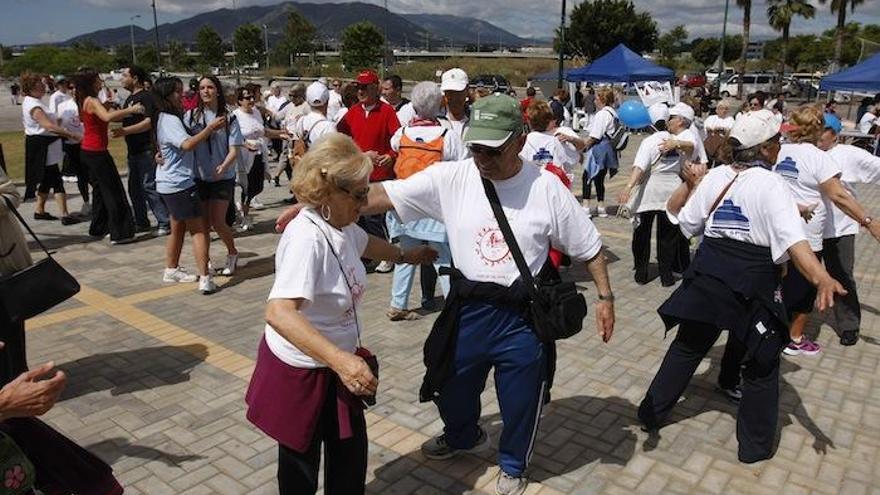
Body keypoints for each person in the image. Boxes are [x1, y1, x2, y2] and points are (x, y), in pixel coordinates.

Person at [275, 94, 615, 495]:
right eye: (475, 148)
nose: (481, 159)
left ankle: (512, 464)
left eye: (492, 150)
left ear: (519, 142)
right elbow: (385, 194)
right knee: (448, 384)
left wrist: (606, 298)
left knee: (521, 400)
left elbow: (589, 247)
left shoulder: (547, 189)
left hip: (522, 315)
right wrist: (319, 205)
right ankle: (462, 435)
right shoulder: (453, 177)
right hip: (468, 308)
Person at [638, 109, 847, 464]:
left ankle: (650, 414)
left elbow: (686, 224)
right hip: (753, 280)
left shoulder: (717, 176)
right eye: (776, 141)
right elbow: (796, 245)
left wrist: (692, 185)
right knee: (763, 365)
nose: (780, 146)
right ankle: (754, 447)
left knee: (688, 347)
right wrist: (821, 276)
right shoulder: (773, 185)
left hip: (710, 273)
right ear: (765, 149)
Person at [246, 134, 436, 495]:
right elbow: (279, 313)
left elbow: (367, 243)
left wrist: (407, 255)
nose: (366, 203)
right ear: (328, 191)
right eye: (359, 194)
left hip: (336, 367)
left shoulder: (343, 224)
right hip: (304, 370)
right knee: (300, 469)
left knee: (349, 458)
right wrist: (342, 362)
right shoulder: (308, 239)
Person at [774, 104, 880, 356]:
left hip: (808, 231)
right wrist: (869, 221)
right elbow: (839, 196)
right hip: (808, 235)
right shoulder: (815, 157)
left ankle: (842, 326)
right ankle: (793, 337)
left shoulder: (780, 151)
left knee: (828, 277)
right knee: (804, 287)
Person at [385, 81, 465, 320]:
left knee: (406, 256)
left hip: (405, 204)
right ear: (440, 103)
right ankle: (453, 305)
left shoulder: (402, 133)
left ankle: (397, 304)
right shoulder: (447, 136)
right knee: (442, 257)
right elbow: (460, 165)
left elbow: (393, 147)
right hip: (433, 206)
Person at [154, 77, 226, 293]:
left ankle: (171, 268)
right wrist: (209, 129)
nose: (183, 95)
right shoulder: (170, 119)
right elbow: (187, 144)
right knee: (199, 230)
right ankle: (205, 277)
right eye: (177, 92)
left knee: (177, 227)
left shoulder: (168, 118)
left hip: (168, 182)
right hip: (179, 183)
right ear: (167, 95)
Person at [817, 113, 880, 346]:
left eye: (823, 130)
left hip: (840, 228)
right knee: (799, 279)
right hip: (808, 229)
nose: (818, 135)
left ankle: (849, 325)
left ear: (835, 135)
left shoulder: (849, 155)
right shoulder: (804, 152)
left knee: (842, 276)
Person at [618, 103, 695, 287]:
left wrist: (628, 187)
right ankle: (666, 276)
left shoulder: (650, 141)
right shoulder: (676, 140)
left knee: (642, 233)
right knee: (667, 236)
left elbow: (640, 167)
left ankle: (642, 273)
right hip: (672, 190)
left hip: (650, 191)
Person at [337, 69, 401, 272]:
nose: (361, 91)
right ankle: (365, 255)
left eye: (365, 87)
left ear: (376, 88)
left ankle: (385, 254)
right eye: (358, 87)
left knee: (377, 218)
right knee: (359, 216)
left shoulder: (387, 111)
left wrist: (390, 155)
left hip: (379, 175)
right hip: (358, 174)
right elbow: (340, 136)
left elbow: (398, 140)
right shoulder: (353, 112)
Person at [76, 69, 142, 245]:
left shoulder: (87, 100)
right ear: (91, 83)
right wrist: (131, 109)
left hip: (89, 150)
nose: (101, 82)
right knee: (112, 190)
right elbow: (107, 117)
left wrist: (109, 105)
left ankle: (99, 226)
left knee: (100, 191)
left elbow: (99, 116)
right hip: (96, 152)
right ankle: (120, 232)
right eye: (98, 80)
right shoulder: (92, 100)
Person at [186, 75, 243, 277]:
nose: (205, 91)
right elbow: (185, 142)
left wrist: (224, 166)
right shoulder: (191, 116)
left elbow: (235, 149)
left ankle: (232, 252)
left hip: (222, 176)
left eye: (210, 87)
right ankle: (205, 260)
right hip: (199, 176)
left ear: (217, 90)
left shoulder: (229, 117)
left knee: (218, 221)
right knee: (203, 224)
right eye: (202, 88)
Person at [112, 66, 170, 235]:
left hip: (146, 149)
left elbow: (148, 122)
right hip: (133, 150)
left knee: (149, 186)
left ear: (135, 78)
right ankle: (141, 221)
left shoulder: (146, 96)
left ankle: (164, 222)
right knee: (134, 188)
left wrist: (125, 131)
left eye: (124, 75)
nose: (121, 79)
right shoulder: (130, 99)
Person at [19, 72, 81, 225]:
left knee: (47, 179)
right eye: (41, 85)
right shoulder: (33, 104)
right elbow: (47, 126)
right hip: (43, 146)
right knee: (56, 179)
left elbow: (51, 121)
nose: (44, 87)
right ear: (33, 87)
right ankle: (65, 214)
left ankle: (39, 210)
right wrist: (71, 134)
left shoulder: (35, 101)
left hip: (47, 144)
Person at [233, 86, 287, 231]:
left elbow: (264, 131)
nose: (251, 100)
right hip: (244, 155)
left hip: (258, 153)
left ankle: (243, 206)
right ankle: (245, 215)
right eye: (247, 98)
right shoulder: (235, 115)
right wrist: (245, 145)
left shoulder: (256, 112)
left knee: (257, 186)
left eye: (252, 97)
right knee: (247, 185)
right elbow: (233, 137)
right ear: (239, 101)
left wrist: (281, 133)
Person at [520, 99, 585, 186]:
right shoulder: (555, 141)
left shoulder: (525, 141)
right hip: (552, 184)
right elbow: (563, 164)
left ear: (529, 121)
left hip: (531, 184)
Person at [582, 86, 620, 217]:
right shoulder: (613, 113)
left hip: (598, 149)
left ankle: (586, 207)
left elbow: (595, 135)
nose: (595, 100)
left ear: (602, 99)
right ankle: (601, 206)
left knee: (587, 177)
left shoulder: (602, 114)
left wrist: (583, 146)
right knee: (600, 179)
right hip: (608, 149)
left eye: (597, 98)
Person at [56, 82, 91, 216]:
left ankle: (101, 200)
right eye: (71, 88)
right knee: (81, 175)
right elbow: (59, 125)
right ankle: (86, 201)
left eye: (76, 87)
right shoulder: (63, 106)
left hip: (87, 143)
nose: (73, 90)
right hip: (72, 145)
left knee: (92, 174)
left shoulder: (88, 103)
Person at [440, 68, 470, 139]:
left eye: (458, 93)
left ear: (467, 90)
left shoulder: (476, 118)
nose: (454, 98)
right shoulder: (435, 119)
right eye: (449, 93)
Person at [704, 100, 735, 167]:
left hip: (721, 147)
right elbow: (707, 128)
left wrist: (722, 129)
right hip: (710, 144)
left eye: (726, 109)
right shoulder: (711, 118)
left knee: (718, 166)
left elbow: (730, 131)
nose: (724, 110)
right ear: (717, 110)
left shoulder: (730, 119)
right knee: (706, 164)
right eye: (721, 108)